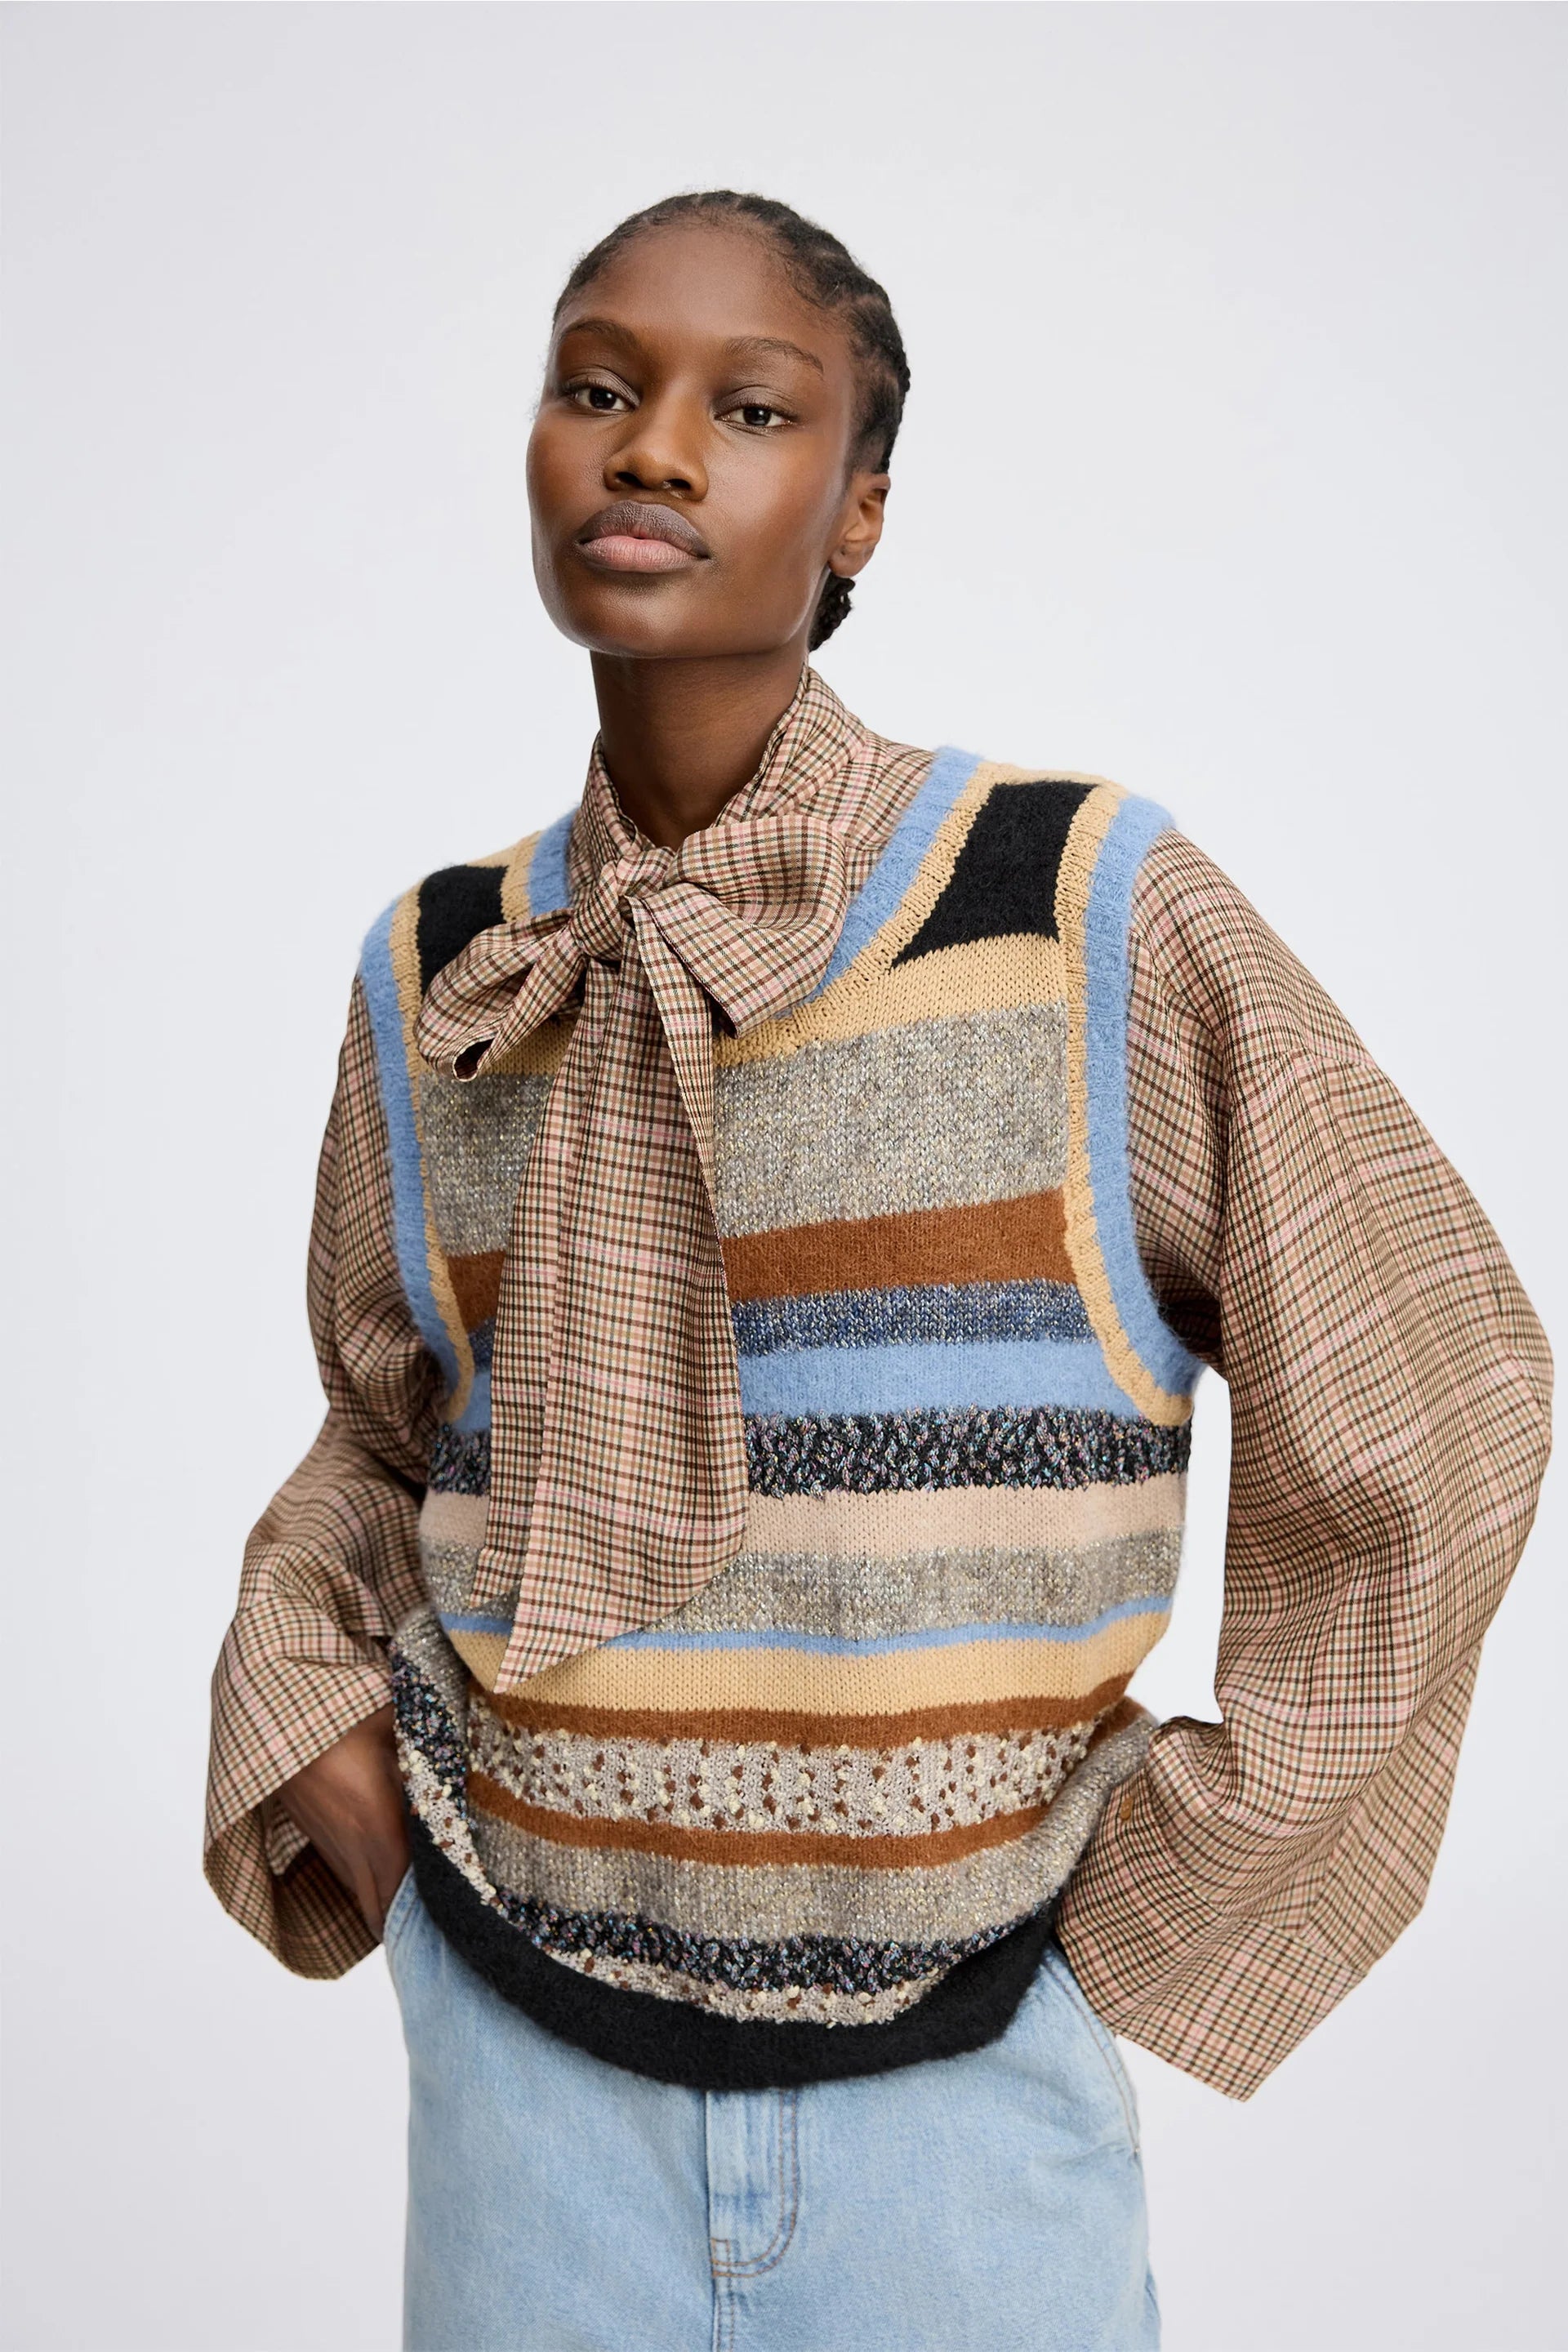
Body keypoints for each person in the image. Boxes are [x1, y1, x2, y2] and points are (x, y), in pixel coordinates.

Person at [204, 191, 1552, 2352]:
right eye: (595, 385)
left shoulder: (1079, 910)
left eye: (751, 409)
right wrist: (307, 1712)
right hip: (520, 2080)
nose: (653, 447)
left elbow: (1442, 1388)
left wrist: (1180, 1893)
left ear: (862, 510)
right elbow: (386, 1434)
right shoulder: (442, 964)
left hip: (967, 2106)